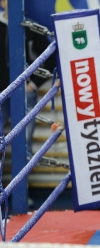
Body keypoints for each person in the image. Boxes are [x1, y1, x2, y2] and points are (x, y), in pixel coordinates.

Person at [0, 0, 56, 155]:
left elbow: (51, 58)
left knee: (23, 141)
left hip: (24, 91)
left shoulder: (32, 27)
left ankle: (24, 178)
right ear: (2, 2)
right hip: (0, 93)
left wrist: (34, 84)